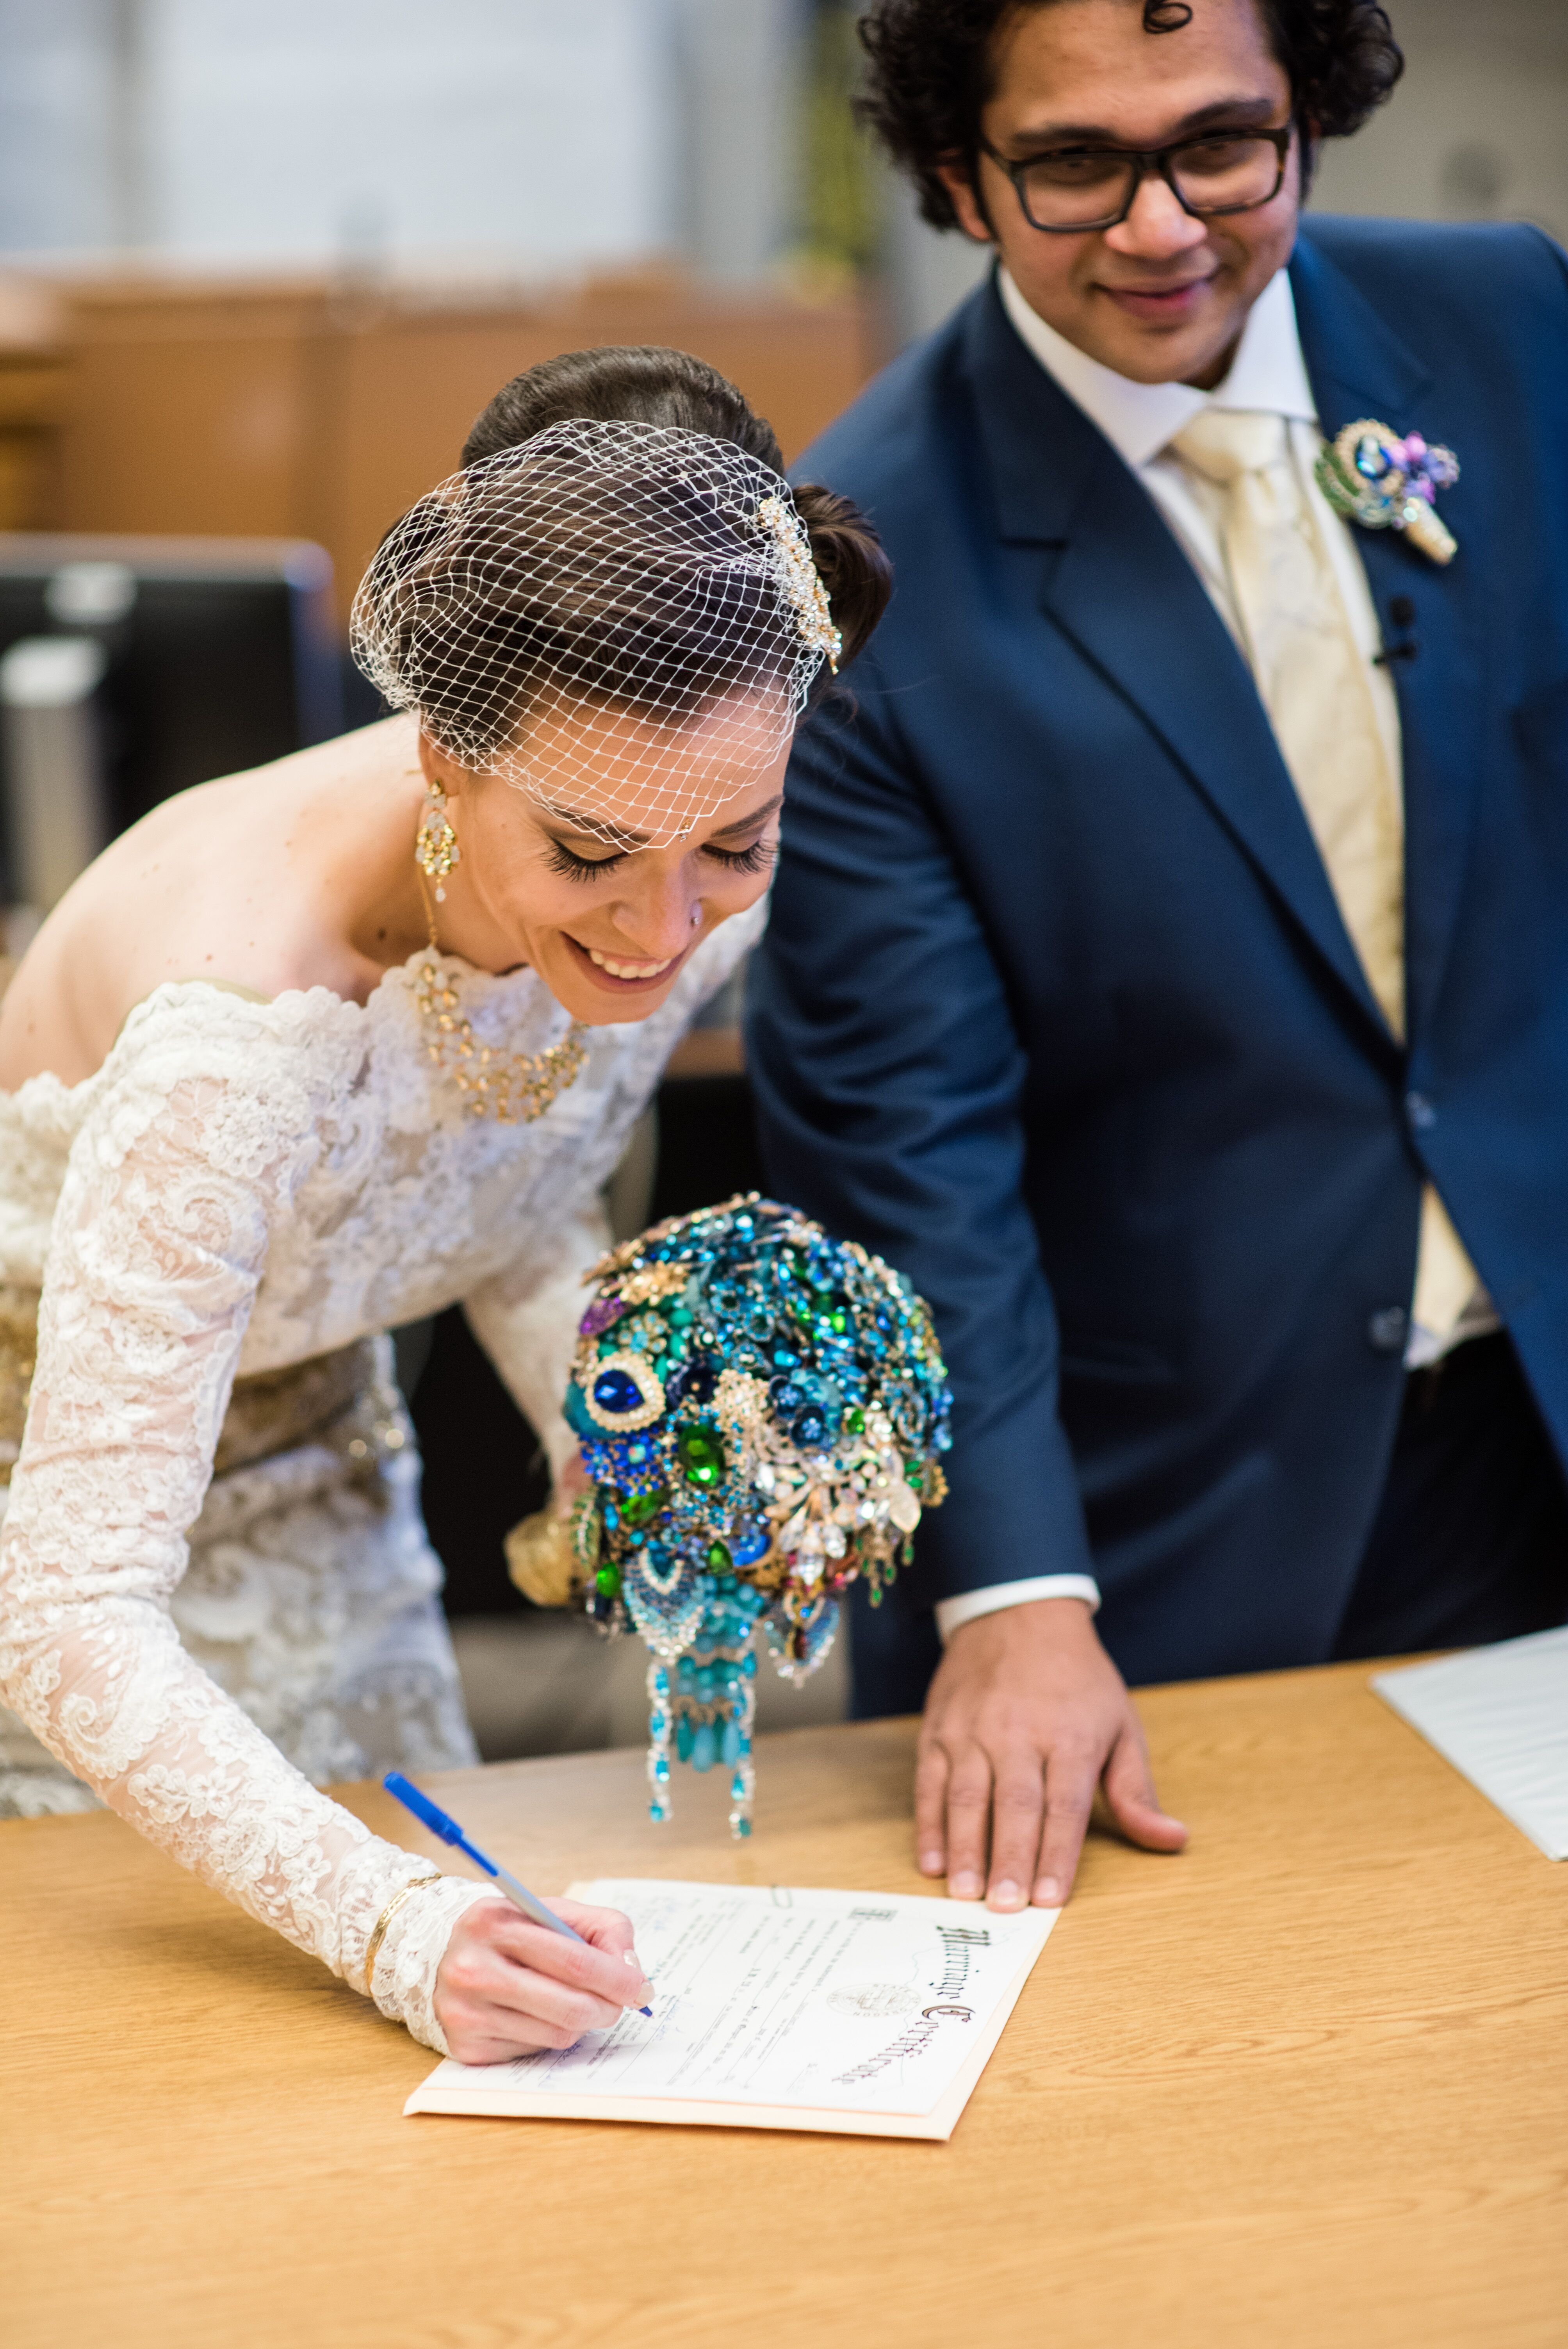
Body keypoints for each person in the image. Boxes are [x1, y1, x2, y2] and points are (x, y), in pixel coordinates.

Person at [748, 0, 1568, 1918]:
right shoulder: (852, 573)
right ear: (955, 174)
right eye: (1071, 166)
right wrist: (1020, 1596)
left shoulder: (1511, 329)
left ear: (1307, 114)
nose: (1161, 226)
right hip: (1176, 1523)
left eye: (1222, 145)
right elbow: (901, 1150)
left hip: (1530, 1417)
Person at [0, 346, 889, 2062]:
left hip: (326, 1471)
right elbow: (65, 1609)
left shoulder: (667, 829)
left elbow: (490, 1184)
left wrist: (631, 1431)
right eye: (589, 859)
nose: (659, 934)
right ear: (445, 753)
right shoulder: (239, 1037)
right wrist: (390, 1927)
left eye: (736, 849)